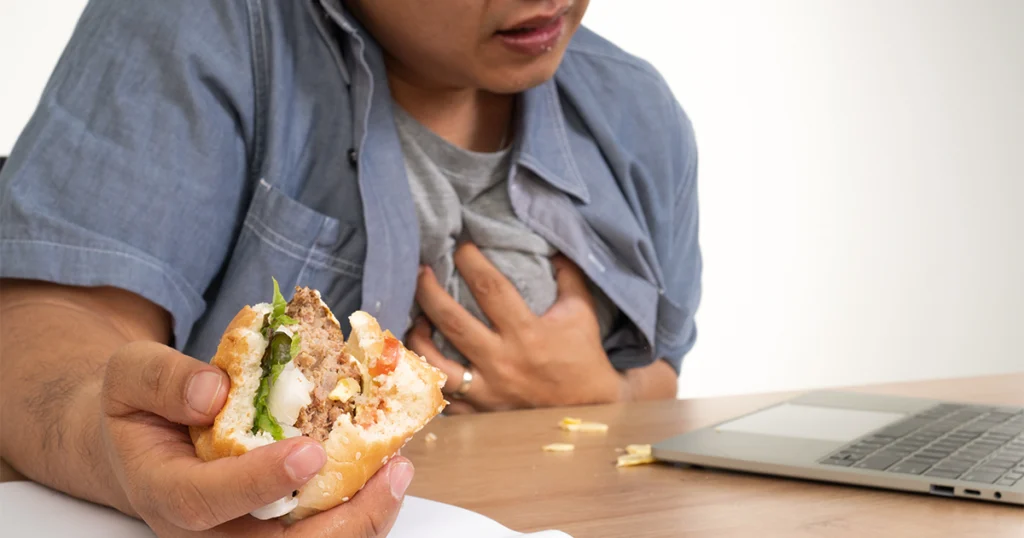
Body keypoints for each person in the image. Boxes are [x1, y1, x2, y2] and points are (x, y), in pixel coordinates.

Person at [0, 0, 701, 535]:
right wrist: (113, 447)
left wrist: (599, 394)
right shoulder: (193, 25)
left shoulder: (638, 111)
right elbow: (37, 328)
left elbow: (663, 376)